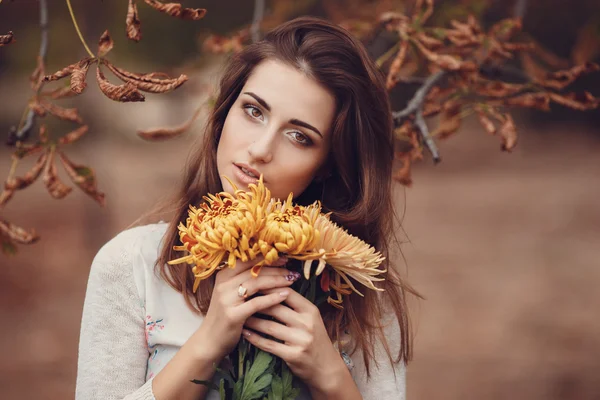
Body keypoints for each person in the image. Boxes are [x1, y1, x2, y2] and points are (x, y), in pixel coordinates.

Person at [75, 16, 416, 400]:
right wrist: (207, 343)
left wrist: (333, 379)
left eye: (299, 136)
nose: (260, 149)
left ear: (327, 166)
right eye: (254, 112)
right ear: (223, 116)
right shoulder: (132, 266)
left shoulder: (361, 293)